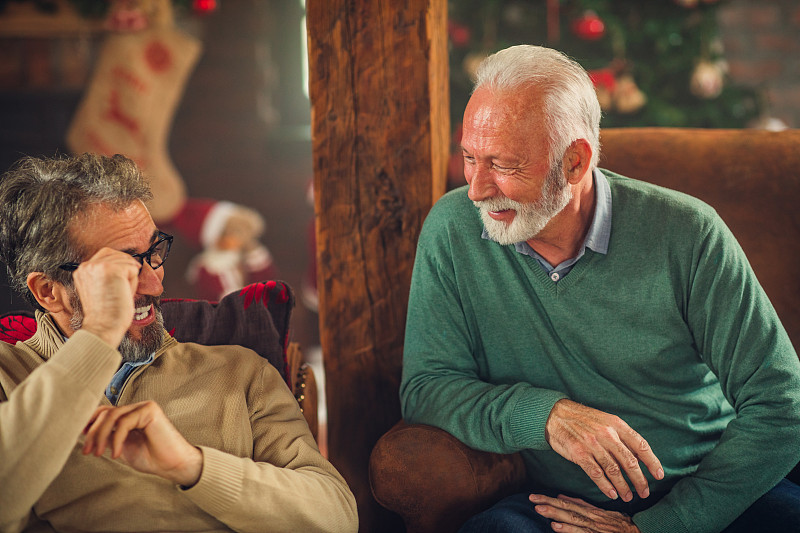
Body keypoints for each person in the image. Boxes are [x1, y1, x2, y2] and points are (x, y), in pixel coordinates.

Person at [400, 45, 800, 533]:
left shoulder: (689, 232)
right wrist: (546, 415)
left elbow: (783, 401)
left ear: (574, 162)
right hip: (557, 505)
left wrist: (662, 526)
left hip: (707, 493)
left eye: (503, 166)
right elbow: (427, 388)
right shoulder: (452, 228)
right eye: (468, 158)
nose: (478, 189)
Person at [0, 153, 358, 533]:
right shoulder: (9, 376)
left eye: (154, 253)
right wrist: (99, 334)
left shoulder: (240, 371)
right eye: (121, 269)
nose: (155, 284)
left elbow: (336, 518)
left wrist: (194, 466)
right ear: (48, 291)